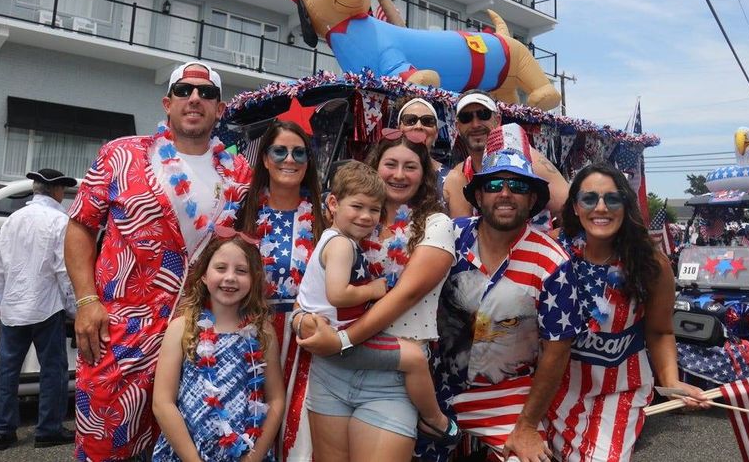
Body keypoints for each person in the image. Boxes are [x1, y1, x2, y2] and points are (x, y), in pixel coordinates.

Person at [66, 61, 251, 461]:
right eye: (184, 91)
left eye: (206, 93)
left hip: (199, 336)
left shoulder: (239, 173)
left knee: (188, 447)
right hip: (120, 331)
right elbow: (81, 226)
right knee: (104, 444)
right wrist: (85, 301)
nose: (195, 99)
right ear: (167, 103)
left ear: (220, 109)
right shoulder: (122, 155)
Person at [296, 129, 456, 462]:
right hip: (332, 370)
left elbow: (405, 295)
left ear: (424, 174)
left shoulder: (436, 224)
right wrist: (302, 318)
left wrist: (341, 341)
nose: (399, 174)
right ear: (375, 167)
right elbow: (318, 284)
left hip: (391, 375)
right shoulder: (353, 221)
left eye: (410, 166)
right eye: (390, 164)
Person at [426, 124, 581, 462]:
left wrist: (525, 426)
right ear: (479, 195)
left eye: (518, 185)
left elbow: (557, 352)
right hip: (433, 386)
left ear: (532, 198)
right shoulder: (449, 236)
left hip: (508, 393)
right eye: (495, 184)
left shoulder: (553, 262)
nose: (506, 193)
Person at [548, 163, 708, 462]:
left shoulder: (651, 263)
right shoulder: (552, 250)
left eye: (612, 199)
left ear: (625, 205)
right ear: (575, 206)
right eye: (589, 199)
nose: (601, 208)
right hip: (552, 392)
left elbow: (660, 330)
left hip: (617, 393)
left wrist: (671, 381)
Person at [235, 120, 325, 461]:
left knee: (298, 433)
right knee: (249, 429)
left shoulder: (324, 215)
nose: (290, 159)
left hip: (306, 342)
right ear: (266, 160)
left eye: (299, 152)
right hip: (251, 337)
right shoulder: (242, 211)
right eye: (281, 151)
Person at [152, 230, 284, 462]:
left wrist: (254, 457)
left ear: (253, 279)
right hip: (187, 454)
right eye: (221, 268)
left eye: (241, 271)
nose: (230, 277)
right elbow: (163, 403)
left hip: (246, 453)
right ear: (203, 275)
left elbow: (275, 399)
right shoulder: (182, 328)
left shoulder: (263, 331)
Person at [0, 168, 77, 451]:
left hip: (13, 306)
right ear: (55, 191)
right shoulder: (60, 220)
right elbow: (63, 270)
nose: (64, 195)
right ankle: (48, 430)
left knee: (8, 370)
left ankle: (3, 431)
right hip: (45, 306)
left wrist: (0, 300)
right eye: (63, 190)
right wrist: (74, 308)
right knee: (52, 369)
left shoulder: (13, 219)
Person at [443, 90, 568, 227]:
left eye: (483, 115)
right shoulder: (460, 173)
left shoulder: (526, 159)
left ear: (497, 120)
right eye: (466, 118)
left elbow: (570, 208)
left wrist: (551, 240)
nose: (475, 124)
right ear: (457, 127)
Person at [394, 96, 447, 201]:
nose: (418, 126)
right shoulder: (382, 172)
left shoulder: (452, 180)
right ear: (399, 129)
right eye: (410, 120)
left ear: (436, 132)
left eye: (427, 121)